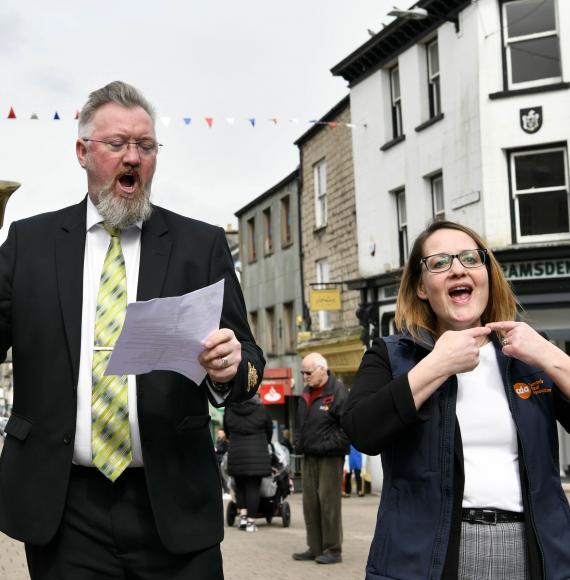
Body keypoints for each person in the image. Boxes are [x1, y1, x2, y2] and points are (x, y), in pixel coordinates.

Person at [0, 81, 265, 580]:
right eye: (117, 144)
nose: (133, 157)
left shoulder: (199, 245)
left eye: (145, 146)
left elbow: (249, 359)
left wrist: (231, 369)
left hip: (174, 505)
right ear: (82, 151)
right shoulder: (28, 243)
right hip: (64, 508)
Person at [342, 220, 570, 580]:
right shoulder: (391, 355)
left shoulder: (529, 355)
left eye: (469, 258)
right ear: (420, 286)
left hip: (534, 552)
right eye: (440, 262)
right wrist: (436, 365)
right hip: (429, 558)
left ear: (487, 275)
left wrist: (552, 357)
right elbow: (361, 431)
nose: (458, 269)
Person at [292, 352, 349, 565]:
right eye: (303, 372)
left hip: (330, 457)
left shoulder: (338, 392)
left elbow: (347, 429)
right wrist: (299, 441)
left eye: (308, 372)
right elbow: (300, 424)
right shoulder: (307, 392)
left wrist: (326, 445)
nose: (305, 376)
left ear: (322, 370)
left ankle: (333, 549)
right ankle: (314, 547)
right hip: (309, 455)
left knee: (329, 504)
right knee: (310, 504)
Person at [223, 394, 272, 532]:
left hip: (236, 453)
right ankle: (251, 522)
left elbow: (227, 432)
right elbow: (269, 432)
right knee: (253, 488)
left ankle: (243, 517)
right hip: (257, 455)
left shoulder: (229, 409)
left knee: (239, 486)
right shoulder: (262, 409)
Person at [214, 428, 230, 495]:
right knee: (220, 476)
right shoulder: (218, 441)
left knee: (223, 475)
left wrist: (217, 449)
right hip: (218, 459)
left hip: (223, 460)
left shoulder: (225, 441)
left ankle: (227, 490)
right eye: (219, 433)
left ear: (224, 433)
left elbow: (224, 449)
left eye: (221, 433)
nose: (219, 434)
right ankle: (224, 490)